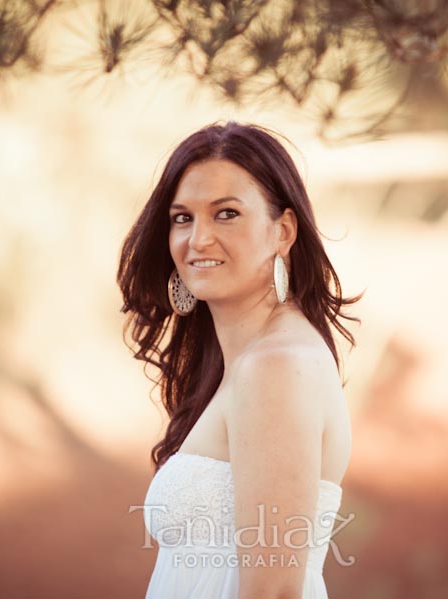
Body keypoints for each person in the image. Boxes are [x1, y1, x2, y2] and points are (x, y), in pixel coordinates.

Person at [118, 121, 362, 598]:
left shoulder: (276, 367)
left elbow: (273, 592)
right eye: (182, 217)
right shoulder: (252, 360)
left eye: (226, 213)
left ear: (283, 231)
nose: (198, 239)